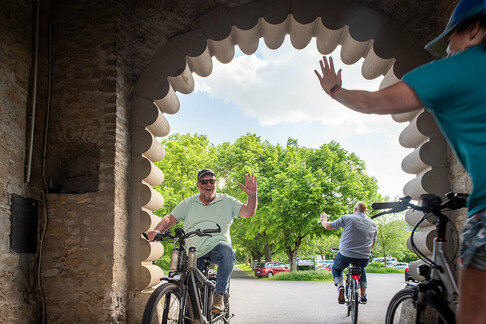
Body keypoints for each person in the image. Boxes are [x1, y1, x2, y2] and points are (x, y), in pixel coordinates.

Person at [314, 0, 486, 322]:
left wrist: (335, 89)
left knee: (474, 313)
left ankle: (343, 285)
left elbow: (372, 102)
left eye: (450, 39)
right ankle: (361, 291)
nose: (447, 49)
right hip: (364, 258)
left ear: (474, 29)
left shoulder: (458, 68)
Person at [147, 169, 257, 314]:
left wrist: (252, 196)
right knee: (191, 290)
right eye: (204, 181)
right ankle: (190, 313)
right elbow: (170, 218)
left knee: (227, 251)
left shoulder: (227, 200)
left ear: (216, 184)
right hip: (193, 250)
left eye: (212, 181)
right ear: (198, 185)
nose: (208, 184)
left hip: (216, 247)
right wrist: (157, 230)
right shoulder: (189, 202)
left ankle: (219, 294)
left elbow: (248, 212)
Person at [320, 202, 377, 304]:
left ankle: (340, 285)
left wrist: (323, 219)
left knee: (336, 268)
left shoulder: (347, 218)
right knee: (361, 269)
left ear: (355, 209)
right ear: (365, 211)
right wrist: (368, 250)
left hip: (346, 255)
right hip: (364, 257)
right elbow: (373, 242)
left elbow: (328, 226)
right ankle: (363, 295)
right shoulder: (373, 224)